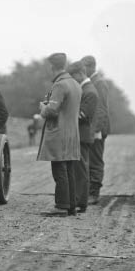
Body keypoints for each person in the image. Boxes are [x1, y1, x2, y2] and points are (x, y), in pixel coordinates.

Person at [37, 53, 81, 217]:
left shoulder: (60, 85)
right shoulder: (75, 84)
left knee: (59, 170)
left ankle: (61, 206)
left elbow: (52, 111)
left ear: (52, 66)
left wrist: (43, 108)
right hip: (72, 134)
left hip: (59, 134)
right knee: (69, 170)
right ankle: (71, 206)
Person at [67, 61, 98, 213]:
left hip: (82, 136)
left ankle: (81, 202)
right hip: (79, 135)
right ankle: (78, 200)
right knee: (78, 169)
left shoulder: (90, 91)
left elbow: (83, 115)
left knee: (81, 170)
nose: (73, 80)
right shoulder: (85, 89)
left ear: (80, 73)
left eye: (73, 76)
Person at [80, 55, 110, 205]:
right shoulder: (92, 82)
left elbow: (101, 108)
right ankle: (89, 191)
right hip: (92, 128)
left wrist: (97, 129)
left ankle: (94, 193)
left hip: (97, 128)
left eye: (84, 67)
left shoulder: (99, 83)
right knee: (89, 160)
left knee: (95, 161)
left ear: (91, 67)